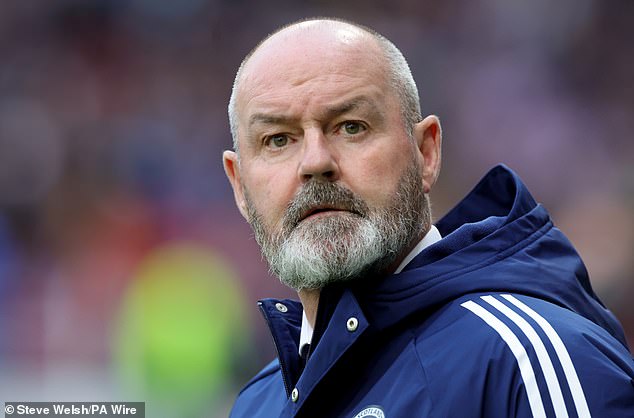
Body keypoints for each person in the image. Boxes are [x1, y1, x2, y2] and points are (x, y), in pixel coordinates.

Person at [222, 17, 634, 418]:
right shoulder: (256, 403)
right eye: (277, 139)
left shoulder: (527, 359)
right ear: (239, 185)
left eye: (350, 127)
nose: (315, 162)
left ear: (426, 153)